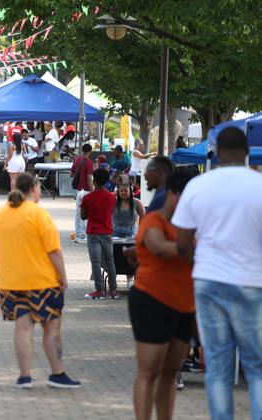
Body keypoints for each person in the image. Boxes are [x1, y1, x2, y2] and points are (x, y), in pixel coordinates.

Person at [173, 127, 262, 420]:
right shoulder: (259, 185)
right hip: (252, 282)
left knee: (219, 367)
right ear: (248, 151)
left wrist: (202, 264)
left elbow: (183, 243)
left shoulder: (199, 186)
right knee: (256, 366)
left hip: (209, 281)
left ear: (216, 152)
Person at [0, 173, 80, 389]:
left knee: (23, 328)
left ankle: (24, 376)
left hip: (10, 282)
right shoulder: (38, 214)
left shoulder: (1, 214)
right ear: (34, 188)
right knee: (51, 329)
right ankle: (57, 373)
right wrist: (63, 277)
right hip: (42, 282)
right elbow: (54, 252)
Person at [128, 172, 194, 420]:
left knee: (170, 372)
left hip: (185, 305)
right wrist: (200, 248)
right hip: (151, 301)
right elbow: (158, 247)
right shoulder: (154, 220)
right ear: (173, 195)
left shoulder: (193, 225)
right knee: (149, 370)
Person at [81, 169, 117, 300]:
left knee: (96, 262)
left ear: (94, 181)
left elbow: (83, 216)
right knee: (110, 261)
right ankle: (113, 290)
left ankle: (99, 290)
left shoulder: (87, 198)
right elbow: (111, 212)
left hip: (93, 232)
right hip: (107, 231)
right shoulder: (112, 197)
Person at [70, 144, 95, 243]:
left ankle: (78, 233)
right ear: (90, 151)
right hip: (86, 191)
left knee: (78, 212)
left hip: (79, 190)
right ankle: (83, 235)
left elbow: (71, 174)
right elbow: (89, 179)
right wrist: (93, 191)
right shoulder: (89, 162)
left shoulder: (77, 160)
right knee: (85, 213)